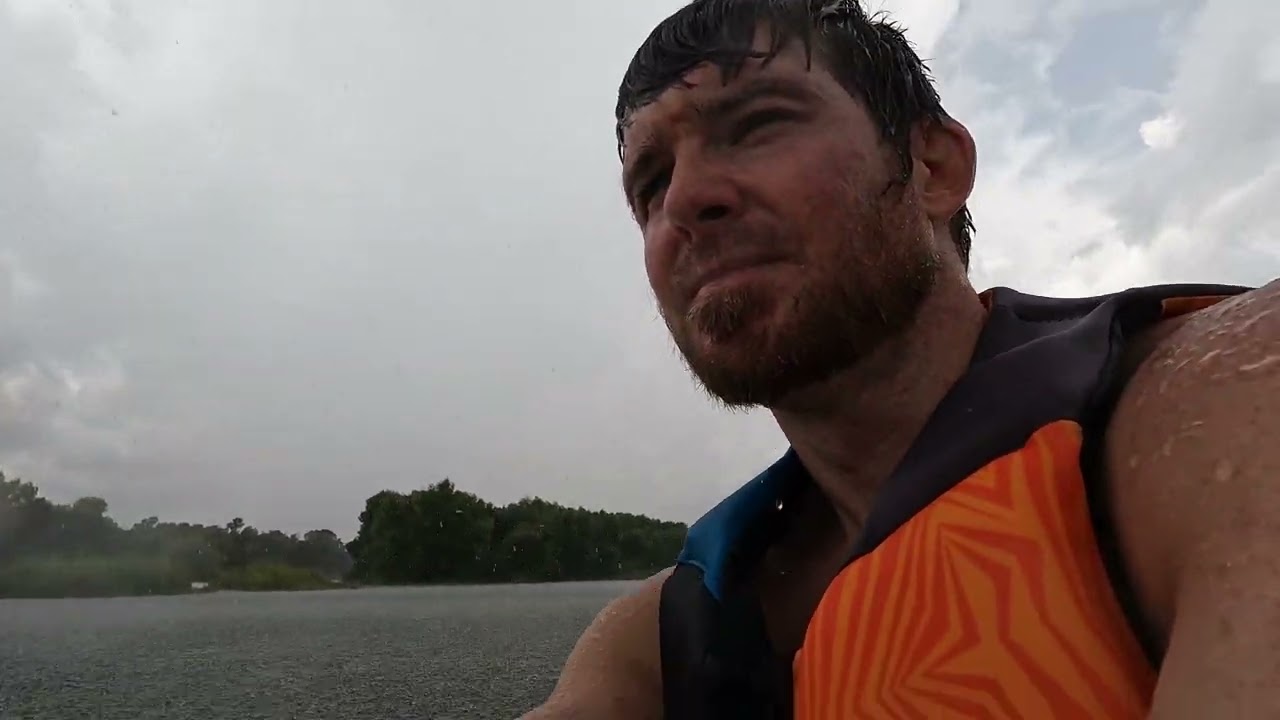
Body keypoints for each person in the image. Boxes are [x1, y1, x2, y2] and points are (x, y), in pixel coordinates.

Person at [524, 0, 1278, 718]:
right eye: (651, 184)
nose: (684, 200)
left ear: (932, 166)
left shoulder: (1223, 407)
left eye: (756, 125)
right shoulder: (656, 640)